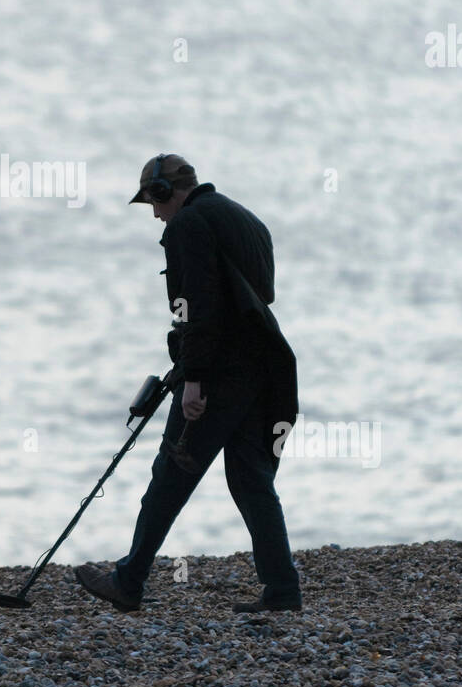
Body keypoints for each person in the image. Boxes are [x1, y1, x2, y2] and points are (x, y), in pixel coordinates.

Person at [75, 153, 302, 614]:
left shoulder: (187, 226)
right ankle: (282, 590)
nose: (154, 213)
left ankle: (129, 579)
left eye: (153, 202)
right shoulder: (245, 219)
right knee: (252, 479)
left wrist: (194, 379)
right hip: (262, 369)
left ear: (165, 192)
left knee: (171, 476)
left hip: (218, 374)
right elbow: (259, 296)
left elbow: (197, 306)